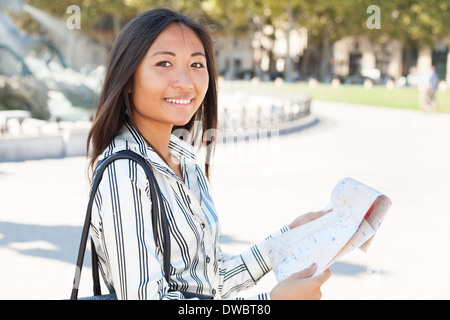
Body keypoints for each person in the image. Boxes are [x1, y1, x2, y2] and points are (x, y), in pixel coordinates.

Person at [86, 8, 331, 300]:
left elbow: (208, 284)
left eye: (197, 65)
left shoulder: (186, 160)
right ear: (127, 77)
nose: (185, 82)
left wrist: (287, 238)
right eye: (164, 63)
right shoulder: (124, 173)